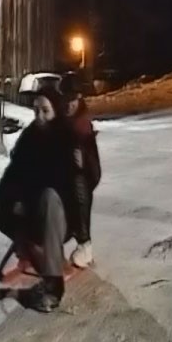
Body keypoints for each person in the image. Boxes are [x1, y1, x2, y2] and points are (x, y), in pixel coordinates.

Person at [0, 86, 74, 312]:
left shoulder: (65, 140)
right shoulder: (28, 138)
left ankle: (53, 286)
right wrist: (13, 200)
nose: (39, 116)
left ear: (56, 111)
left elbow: (61, 186)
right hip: (21, 215)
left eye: (45, 111)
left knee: (50, 196)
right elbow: (9, 180)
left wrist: (27, 202)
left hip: (52, 220)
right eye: (36, 111)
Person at [61, 81, 102, 269]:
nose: (69, 105)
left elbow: (93, 174)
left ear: (79, 99)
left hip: (76, 188)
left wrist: (80, 159)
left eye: (73, 100)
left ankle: (85, 244)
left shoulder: (82, 126)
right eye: (65, 100)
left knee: (78, 181)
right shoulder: (57, 122)